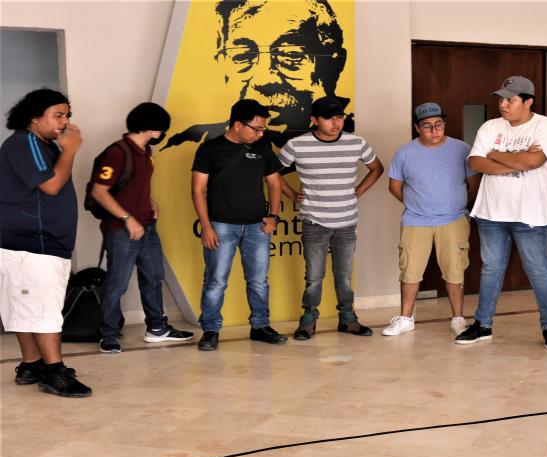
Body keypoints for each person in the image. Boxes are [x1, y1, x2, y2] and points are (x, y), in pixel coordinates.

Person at [456, 76, 547, 349]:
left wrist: (496, 154)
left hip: (531, 213)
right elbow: (476, 161)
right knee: (491, 269)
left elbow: (535, 160)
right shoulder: (491, 126)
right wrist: (513, 162)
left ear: (528, 101)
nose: (503, 104)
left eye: (510, 100)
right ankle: (483, 325)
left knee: (538, 270)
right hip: (491, 211)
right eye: (501, 99)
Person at [0, 88, 91, 397]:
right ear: (34, 117)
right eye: (58, 115)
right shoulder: (26, 143)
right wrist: (71, 149)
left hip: (30, 244)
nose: (64, 122)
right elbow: (51, 185)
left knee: (26, 305)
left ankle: (31, 364)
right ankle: (53, 371)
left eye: (67, 115)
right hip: (34, 244)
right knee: (44, 308)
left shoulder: (39, 144)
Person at [164, 0, 352, 150]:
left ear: (334, 63)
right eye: (244, 56)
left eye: (290, 55)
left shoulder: (351, 143)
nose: (264, 79)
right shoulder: (195, 143)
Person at [90, 102, 193, 353]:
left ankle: (157, 328)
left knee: (154, 278)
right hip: (122, 230)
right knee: (117, 283)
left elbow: (134, 187)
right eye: (161, 128)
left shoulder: (145, 152)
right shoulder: (117, 153)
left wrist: (150, 203)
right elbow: (99, 192)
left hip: (148, 227)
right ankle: (109, 335)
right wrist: (128, 219)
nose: (163, 133)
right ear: (152, 127)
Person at [278, 96, 384, 339]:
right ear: (314, 120)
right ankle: (308, 319)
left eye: (340, 117)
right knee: (314, 276)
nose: (336, 123)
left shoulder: (356, 143)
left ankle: (348, 319)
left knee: (344, 275)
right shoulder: (297, 145)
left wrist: (357, 192)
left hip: (346, 220)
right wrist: (292, 194)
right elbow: (271, 172)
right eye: (329, 118)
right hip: (314, 220)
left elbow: (377, 168)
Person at [191, 99, 287, 351]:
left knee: (258, 281)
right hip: (221, 226)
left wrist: (273, 215)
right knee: (216, 281)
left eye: (262, 129)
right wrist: (207, 226)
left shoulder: (263, 148)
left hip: (257, 226)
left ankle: (260, 326)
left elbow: (275, 184)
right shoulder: (209, 149)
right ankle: (211, 329)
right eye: (255, 128)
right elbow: (198, 190)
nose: (260, 133)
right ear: (236, 125)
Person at [382, 102, 479, 337]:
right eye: (427, 126)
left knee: (455, 270)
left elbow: (473, 183)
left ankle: (458, 319)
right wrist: (417, 204)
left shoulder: (461, 149)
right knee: (410, 271)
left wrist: (460, 205)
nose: (434, 130)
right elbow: (394, 186)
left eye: (439, 125)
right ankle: (406, 319)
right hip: (416, 221)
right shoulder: (404, 153)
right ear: (417, 128)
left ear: (444, 124)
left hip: (453, 219)